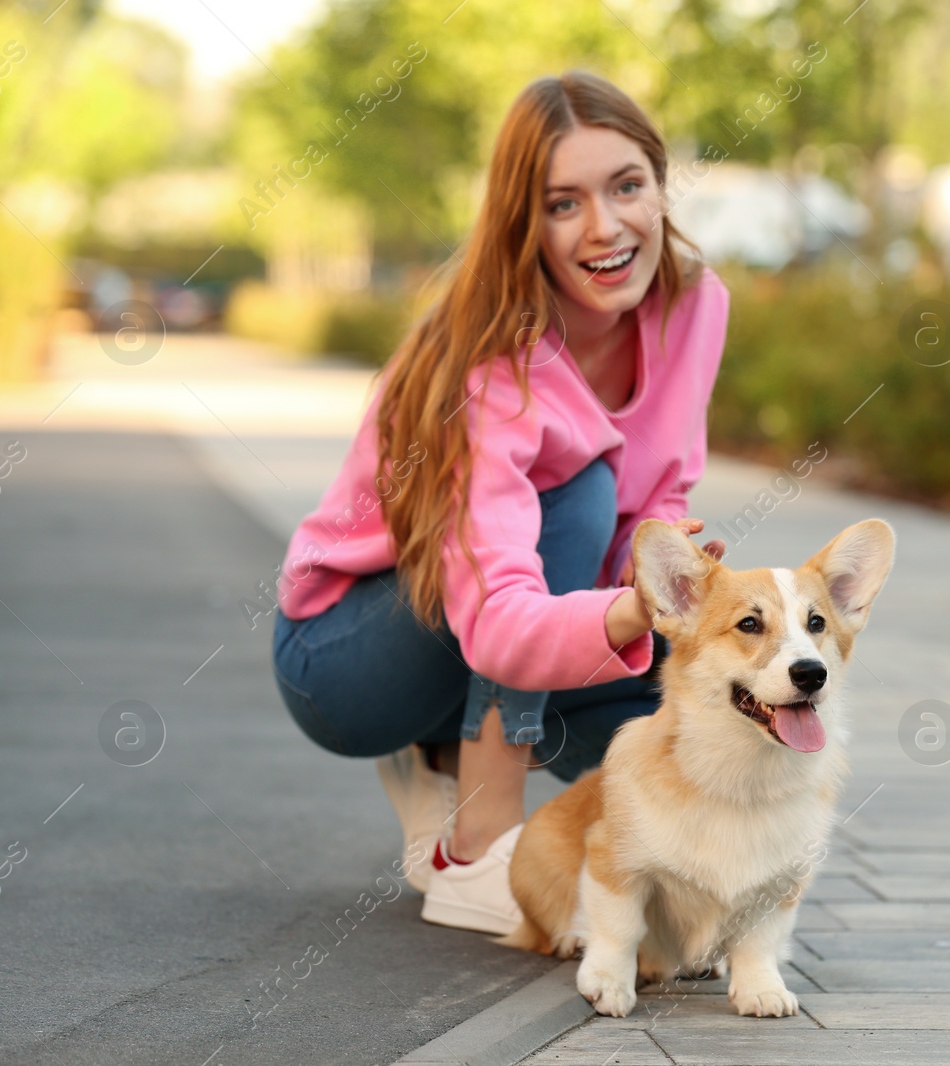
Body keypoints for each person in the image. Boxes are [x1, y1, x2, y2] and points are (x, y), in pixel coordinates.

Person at [269, 71, 728, 936]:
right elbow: (500, 619)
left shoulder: (694, 305)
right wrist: (630, 607)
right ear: (525, 222)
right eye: (564, 203)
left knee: (667, 716)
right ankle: (481, 848)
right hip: (348, 657)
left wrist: (671, 576)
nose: (606, 226)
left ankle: (443, 754)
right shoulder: (494, 366)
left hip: (498, 631)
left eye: (627, 186)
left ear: (659, 182)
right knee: (580, 486)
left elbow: (666, 486)